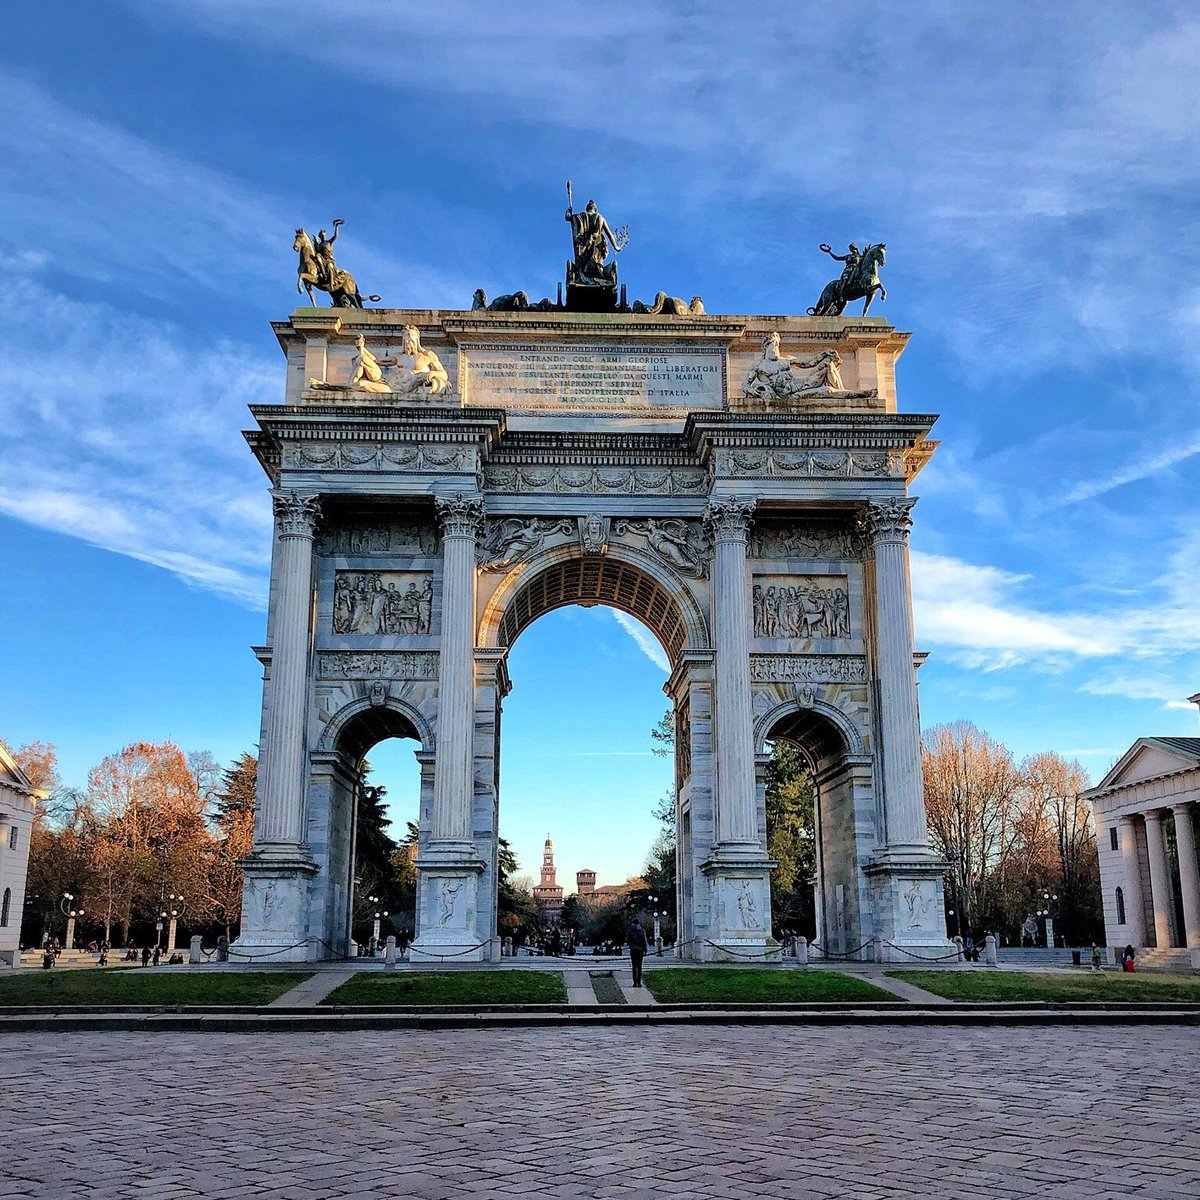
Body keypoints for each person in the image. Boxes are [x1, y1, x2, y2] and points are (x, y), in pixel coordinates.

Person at [626, 917, 649, 988]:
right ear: (639, 923)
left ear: (633, 923)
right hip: (640, 950)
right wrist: (645, 950)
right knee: (639, 967)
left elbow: (628, 940)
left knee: (634, 966)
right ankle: (639, 982)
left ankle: (634, 982)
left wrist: (630, 945)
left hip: (633, 950)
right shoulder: (642, 930)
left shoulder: (630, 931)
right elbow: (644, 941)